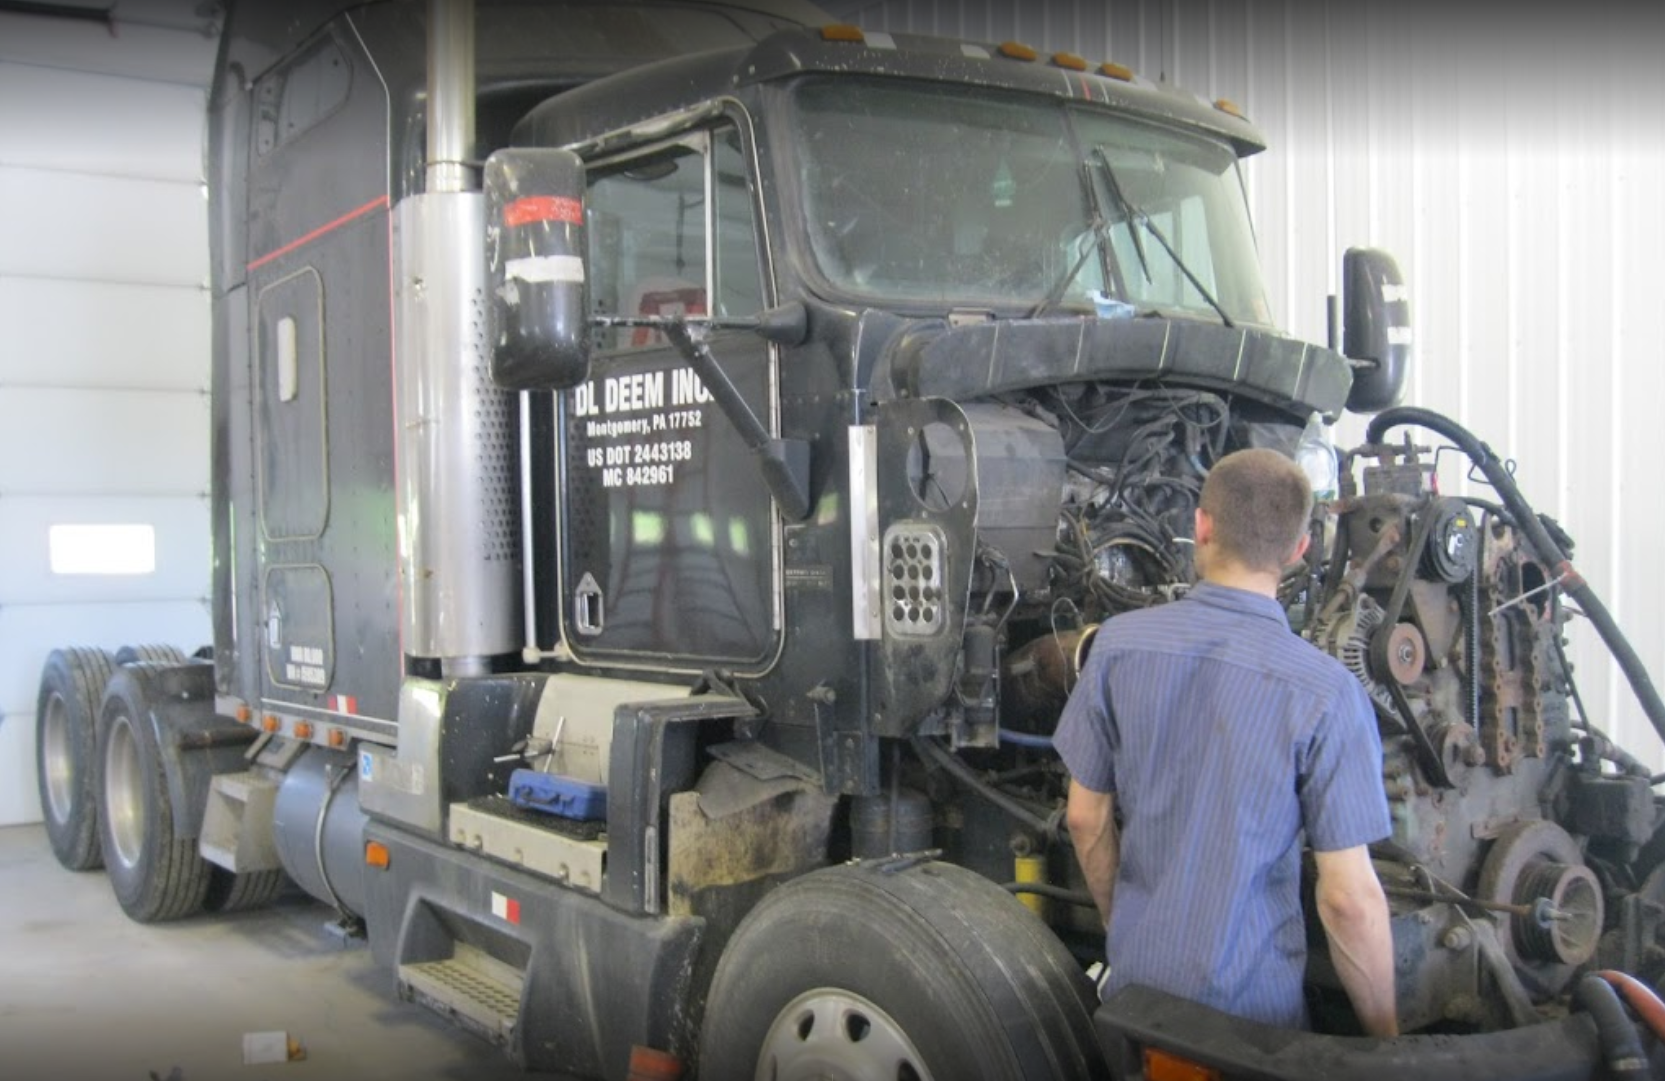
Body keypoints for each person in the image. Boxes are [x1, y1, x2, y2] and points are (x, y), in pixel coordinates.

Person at [1053, 447, 1398, 1038]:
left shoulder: (1114, 646)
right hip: (1252, 1024)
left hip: (1138, 999)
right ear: (1298, 551)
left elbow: (1085, 819)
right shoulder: (1328, 693)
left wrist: (1124, 928)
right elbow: (1348, 901)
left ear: (1201, 526)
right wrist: (1388, 1041)